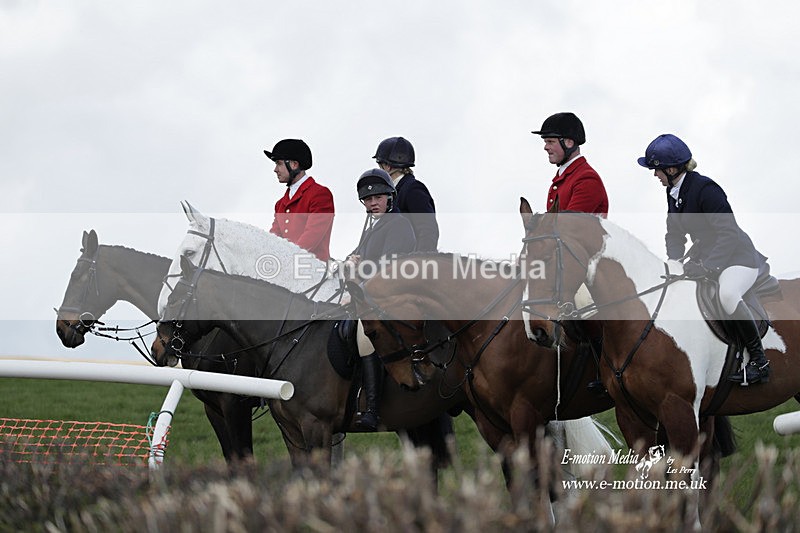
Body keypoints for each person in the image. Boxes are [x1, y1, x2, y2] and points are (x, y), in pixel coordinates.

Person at [638, 133, 770, 385]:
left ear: (672, 168)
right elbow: (674, 233)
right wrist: (674, 263)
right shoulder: (674, 191)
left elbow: (728, 232)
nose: (655, 175)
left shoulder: (706, 189)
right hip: (706, 258)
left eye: (656, 170)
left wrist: (711, 267)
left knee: (727, 295)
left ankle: (759, 360)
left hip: (737, 257)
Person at [345, 168, 416, 431]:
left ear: (390, 197)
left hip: (390, 297)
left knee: (365, 338)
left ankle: (372, 410)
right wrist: (347, 262)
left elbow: (388, 267)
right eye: (367, 199)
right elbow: (359, 255)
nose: (372, 203)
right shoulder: (372, 227)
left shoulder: (398, 224)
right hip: (368, 294)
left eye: (378, 198)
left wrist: (359, 267)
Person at [264, 138, 335, 261]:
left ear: (294, 164)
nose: (275, 169)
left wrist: (287, 259)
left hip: (313, 269)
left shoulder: (320, 194)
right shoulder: (280, 204)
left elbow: (312, 236)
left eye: (279, 163)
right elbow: (274, 238)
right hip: (286, 267)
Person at [532, 112, 608, 215]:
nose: (545, 147)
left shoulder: (587, 179)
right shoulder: (565, 177)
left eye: (550, 142)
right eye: (545, 142)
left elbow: (568, 225)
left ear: (569, 143)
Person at [373, 136, 439, 251]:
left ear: (387, 166)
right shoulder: (387, 194)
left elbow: (428, 230)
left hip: (407, 264)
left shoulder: (413, 189)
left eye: (380, 165)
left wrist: (419, 263)